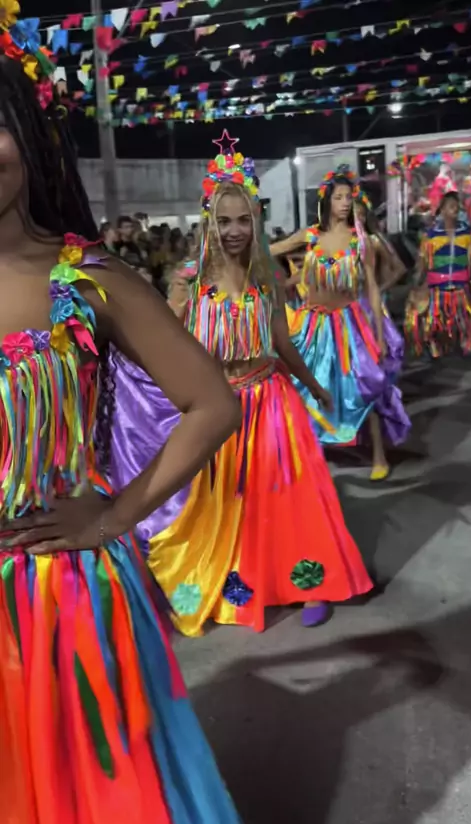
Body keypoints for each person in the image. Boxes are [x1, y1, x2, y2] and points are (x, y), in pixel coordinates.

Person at [0, 31, 247, 824]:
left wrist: (114, 516)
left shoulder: (89, 279)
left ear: (29, 134)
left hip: (59, 598)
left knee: (93, 800)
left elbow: (211, 404)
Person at [108, 141, 373, 635]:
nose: (234, 231)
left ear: (255, 222)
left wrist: (313, 386)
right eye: (225, 221)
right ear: (209, 222)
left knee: (290, 497)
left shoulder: (265, 277)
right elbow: (166, 347)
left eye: (244, 220)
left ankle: (308, 584)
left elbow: (281, 343)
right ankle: (237, 583)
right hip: (220, 411)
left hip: (273, 404)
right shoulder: (189, 283)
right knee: (230, 502)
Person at [271, 165, 410, 481]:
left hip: (350, 326)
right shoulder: (310, 236)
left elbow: (371, 288)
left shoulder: (362, 241)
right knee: (304, 389)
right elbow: (269, 250)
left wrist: (379, 335)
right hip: (313, 325)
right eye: (339, 197)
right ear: (327, 202)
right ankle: (308, 456)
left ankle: (379, 456)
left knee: (364, 388)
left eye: (349, 197)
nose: (345, 203)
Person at [405, 191, 471, 358]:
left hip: (461, 287)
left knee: (466, 320)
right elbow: (423, 262)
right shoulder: (431, 235)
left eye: (457, 206)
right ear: (442, 209)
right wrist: (417, 282)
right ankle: (434, 345)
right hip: (438, 288)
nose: (455, 209)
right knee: (435, 322)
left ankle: (466, 344)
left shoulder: (467, 233)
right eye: (451, 206)